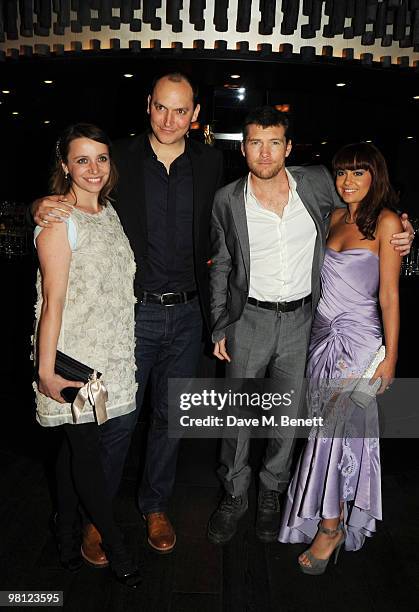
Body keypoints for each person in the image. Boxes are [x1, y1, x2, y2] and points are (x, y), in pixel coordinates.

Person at [32, 72, 224, 559]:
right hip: (132, 314)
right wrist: (38, 205)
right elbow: (77, 190)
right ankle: (98, 516)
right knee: (117, 421)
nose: (169, 119)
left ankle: (155, 505)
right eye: (161, 107)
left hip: (188, 314)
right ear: (147, 105)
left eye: (181, 110)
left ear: (195, 115)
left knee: (171, 418)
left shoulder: (212, 161)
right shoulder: (118, 156)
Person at [207, 106, 412, 546]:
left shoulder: (318, 183)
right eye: (256, 143)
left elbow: (369, 207)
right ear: (243, 148)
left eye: (274, 142)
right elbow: (221, 264)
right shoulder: (226, 199)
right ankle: (234, 495)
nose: (265, 152)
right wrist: (219, 323)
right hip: (249, 319)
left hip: (305, 319)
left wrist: (405, 229)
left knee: (287, 413)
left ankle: (270, 493)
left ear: (288, 147)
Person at [278, 142, 401, 574]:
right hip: (321, 339)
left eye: (358, 173)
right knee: (324, 434)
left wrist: (390, 358)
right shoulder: (331, 217)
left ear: (375, 177)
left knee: (334, 433)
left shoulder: (387, 223)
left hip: (360, 343)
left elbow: (389, 295)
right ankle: (336, 514)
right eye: (342, 173)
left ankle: (329, 526)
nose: (347, 181)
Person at [33, 123, 141, 587]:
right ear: (64, 166)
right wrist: (45, 372)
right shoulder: (59, 220)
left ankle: (63, 529)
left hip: (112, 352)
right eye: (81, 159)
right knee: (87, 455)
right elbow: (51, 302)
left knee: (70, 452)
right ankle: (115, 544)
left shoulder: (110, 212)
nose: (93, 169)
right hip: (73, 357)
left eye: (100, 158)